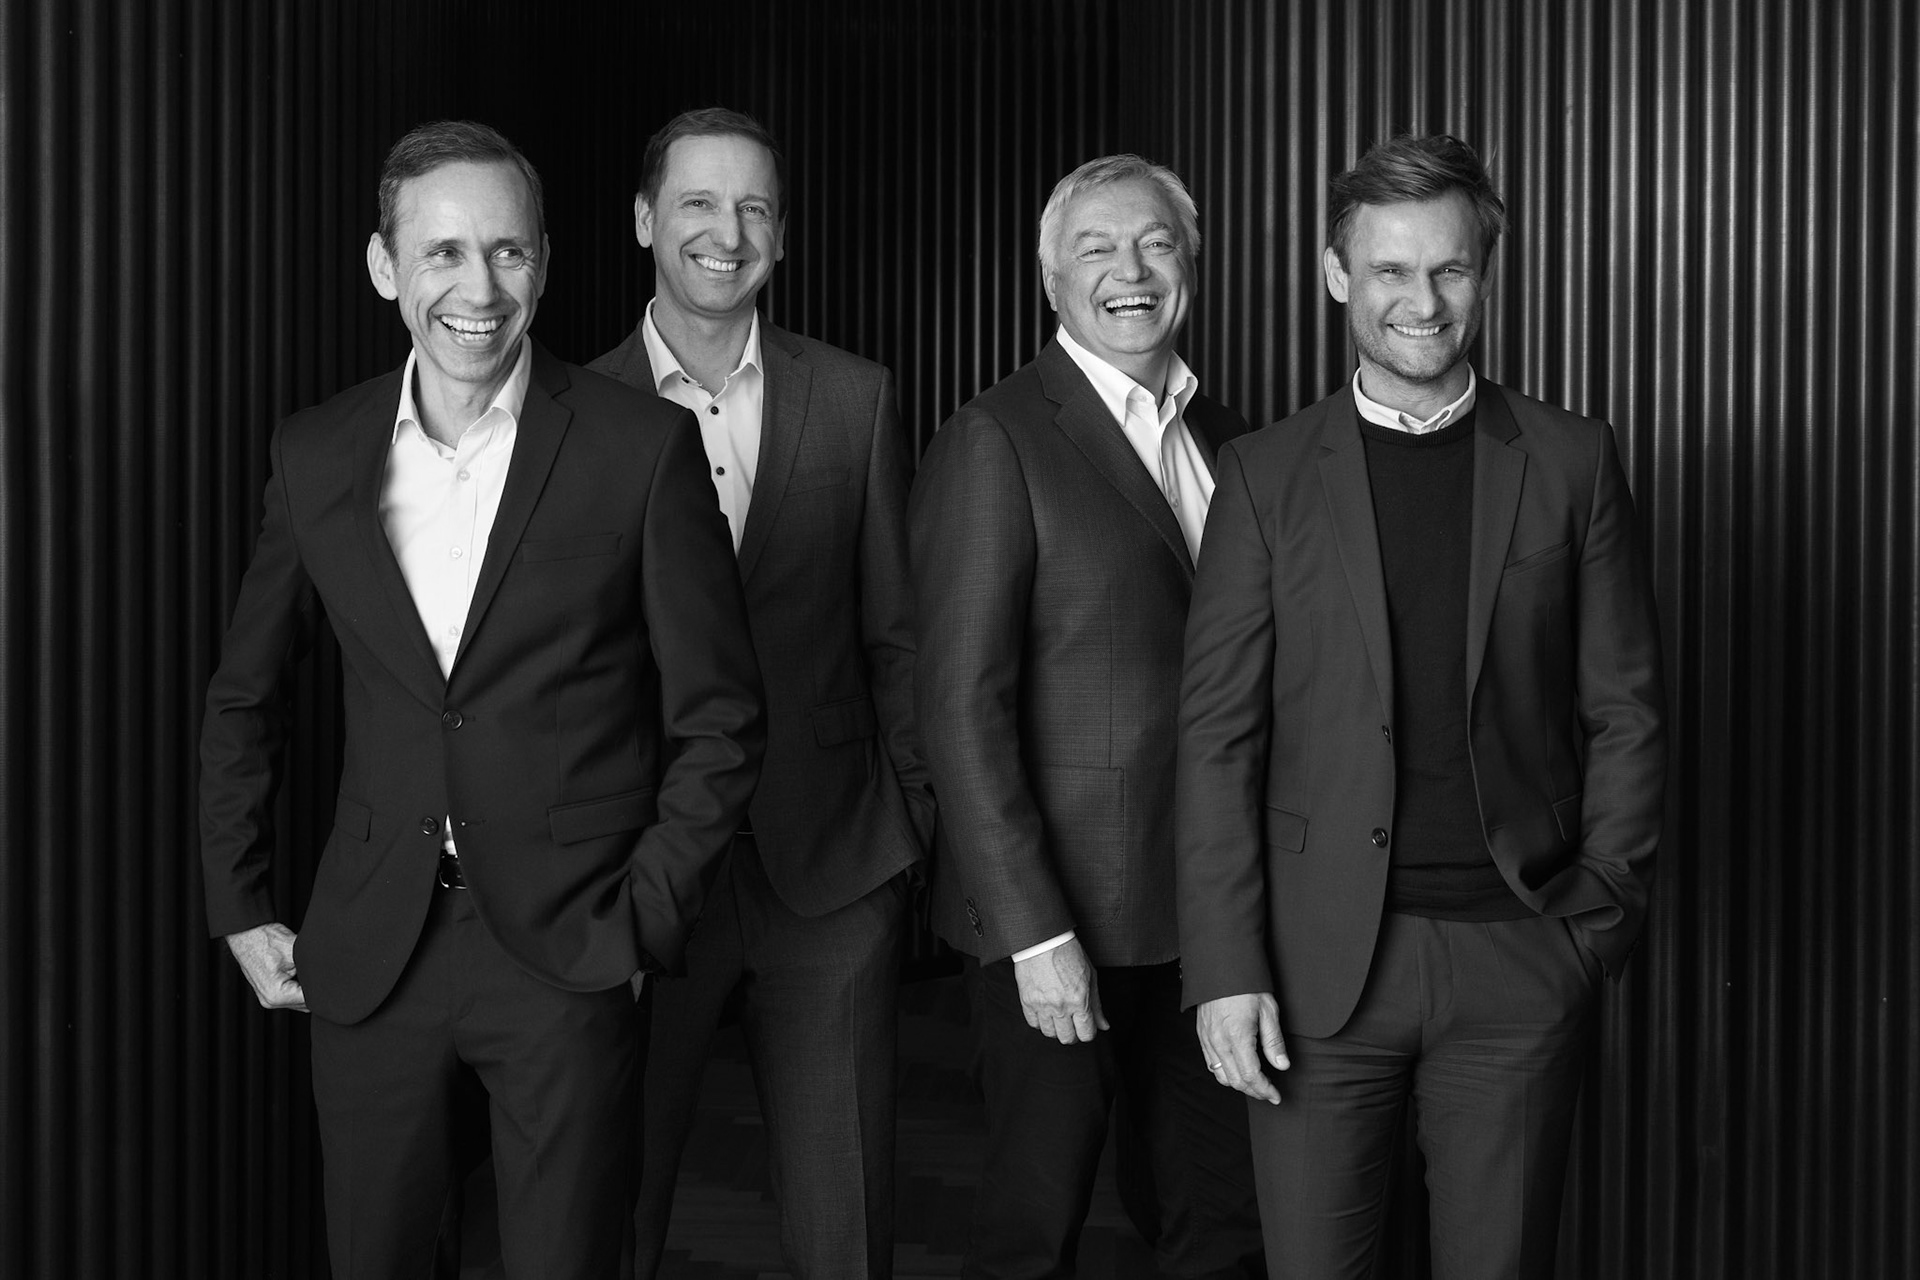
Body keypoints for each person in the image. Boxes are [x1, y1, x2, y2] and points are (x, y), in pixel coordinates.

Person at [198, 119, 764, 1279]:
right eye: (444, 252)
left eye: (508, 251)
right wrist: (239, 903)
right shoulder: (316, 453)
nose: (480, 287)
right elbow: (246, 695)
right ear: (385, 266)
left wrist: (645, 917)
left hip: (573, 944)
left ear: (543, 264)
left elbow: (720, 715)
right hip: (373, 945)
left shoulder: (640, 448)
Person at [1175, 133, 1667, 1278]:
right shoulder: (1262, 474)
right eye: (1391, 270)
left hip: (1518, 952)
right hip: (1313, 968)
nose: (1423, 301)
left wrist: (1593, 927)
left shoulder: (1571, 459)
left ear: (1485, 274)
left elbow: (1628, 709)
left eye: (1450, 268)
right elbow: (1216, 737)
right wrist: (1226, 966)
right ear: (1337, 274)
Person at [589, 107, 932, 1279]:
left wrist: (907, 830)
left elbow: (899, 637)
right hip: (632, 874)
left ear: (781, 234)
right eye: (698, 201)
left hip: (830, 867)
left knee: (845, 1222)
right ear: (646, 219)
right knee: (606, 1207)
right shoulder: (565, 409)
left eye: (753, 208)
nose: (725, 232)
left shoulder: (856, 398)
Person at [910, 154, 1266, 1279]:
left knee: (1223, 1218)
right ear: (1051, 279)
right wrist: (1035, 935)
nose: (1131, 271)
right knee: (1037, 1225)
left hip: (1210, 919)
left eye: (1156, 243)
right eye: (1097, 248)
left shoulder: (1234, 440)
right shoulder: (998, 438)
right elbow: (958, 705)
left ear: (1191, 265)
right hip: (1058, 924)